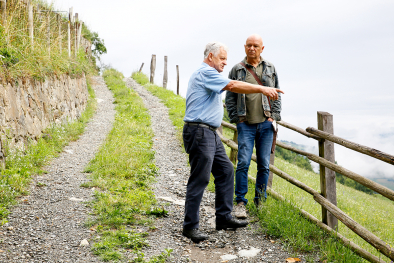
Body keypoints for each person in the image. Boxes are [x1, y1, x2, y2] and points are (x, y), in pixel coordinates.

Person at [182, 41, 284, 243]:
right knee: (200, 178)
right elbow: (233, 85)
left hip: (209, 133)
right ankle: (190, 226)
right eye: (222, 59)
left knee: (226, 170)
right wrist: (262, 89)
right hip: (200, 132)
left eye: (226, 59)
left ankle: (223, 217)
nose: (225, 63)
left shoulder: (210, 75)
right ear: (210, 57)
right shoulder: (205, 72)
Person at [225, 34, 282, 219]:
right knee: (243, 163)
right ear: (244, 47)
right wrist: (236, 118)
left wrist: (273, 117)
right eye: (249, 45)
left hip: (265, 124)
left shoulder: (270, 68)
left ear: (262, 48)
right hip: (246, 124)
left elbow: (277, 93)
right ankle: (240, 202)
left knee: (264, 165)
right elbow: (230, 96)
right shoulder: (237, 69)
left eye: (255, 45)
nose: (252, 48)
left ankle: (260, 201)